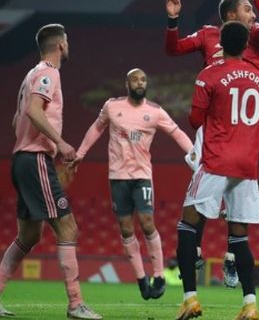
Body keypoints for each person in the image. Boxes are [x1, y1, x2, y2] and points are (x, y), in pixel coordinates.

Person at [165, 0, 259, 287]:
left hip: (241, 123)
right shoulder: (206, 34)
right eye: (247, 9)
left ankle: (230, 256)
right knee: (202, 187)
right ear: (230, 14)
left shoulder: (253, 38)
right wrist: (173, 21)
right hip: (213, 123)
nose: (253, 15)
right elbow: (173, 49)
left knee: (228, 188)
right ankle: (195, 249)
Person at [0, 24, 102, 319]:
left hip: (21, 159)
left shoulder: (30, 74)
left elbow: (16, 120)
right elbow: (33, 110)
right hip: (35, 161)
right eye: (67, 41)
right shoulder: (49, 73)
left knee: (29, 236)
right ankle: (75, 304)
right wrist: (60, 143)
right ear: (60, 45)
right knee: (68, 228)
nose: (69, 46)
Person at [175, 21, 259, 320]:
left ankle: (190, 299)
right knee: (239, 237)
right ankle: (250, 305)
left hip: (216, 160)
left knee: (188, 226)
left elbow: (194, 120)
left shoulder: (209, 75)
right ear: (245, 45)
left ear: (220, 45)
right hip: (247, 166)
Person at [75, 68, 194, 300]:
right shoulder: (112, 106)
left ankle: (159, 276)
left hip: (142, 175)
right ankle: (141, 278)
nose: (140, 83)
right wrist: (81, 152)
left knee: (148, 222)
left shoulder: (155, 111)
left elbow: (177, 132)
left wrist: (193, 154)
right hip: (118, 177)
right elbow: (96, 128)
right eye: (135, 80)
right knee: (127, 229)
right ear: (127, 84)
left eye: (143, 80)